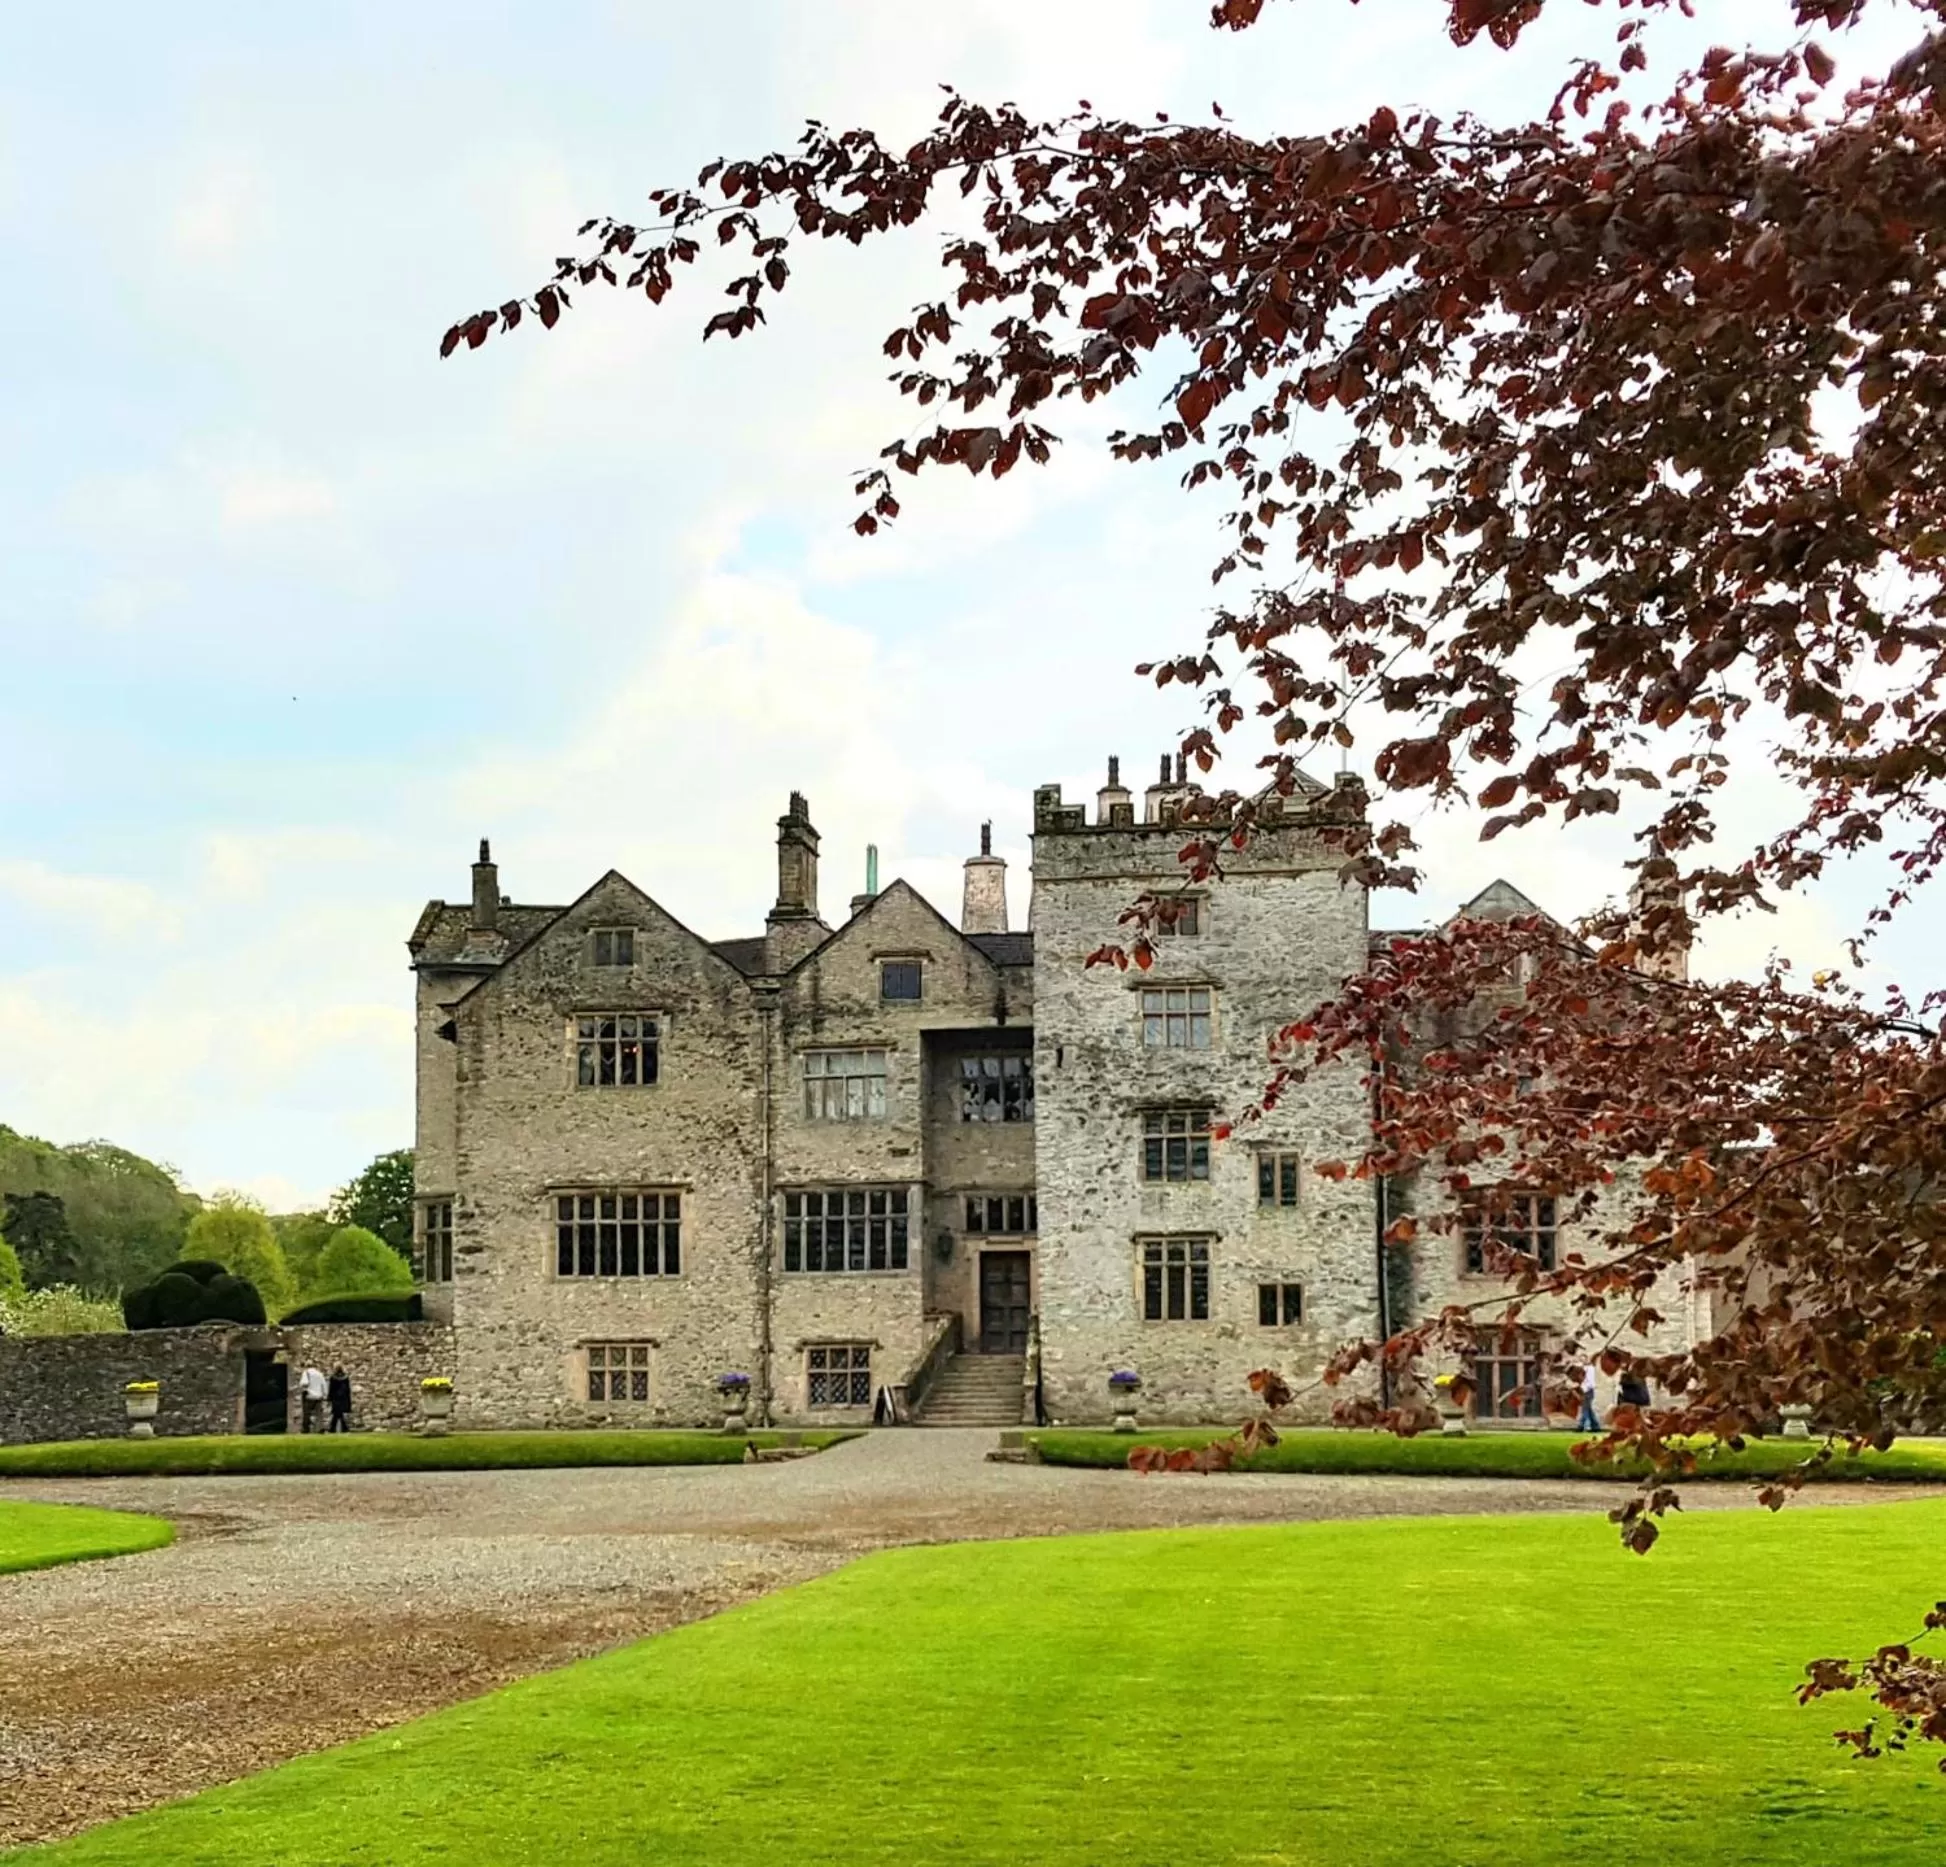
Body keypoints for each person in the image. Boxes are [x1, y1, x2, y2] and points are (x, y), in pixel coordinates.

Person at [297, 1364, 327, 1434]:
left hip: (309, 1396)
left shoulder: (306, 1372)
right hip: (318, 1396)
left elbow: (304, 1383)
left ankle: (306, 1429)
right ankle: (320, 1428)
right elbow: (324, 1385)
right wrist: (324, 1394)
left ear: (307, 1366)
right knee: (319, 1414)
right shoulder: (320, 1374)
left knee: (307, 1413)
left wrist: (301, 1387)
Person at [1575, 1361, 1600, 1433]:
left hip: (1587, 1390)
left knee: (1585, 1409)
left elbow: (1587, 1382)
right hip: (1588, 1390)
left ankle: (1582, 1426)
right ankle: (1595, 1426)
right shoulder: (1589, 1369)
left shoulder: (1588, 1369)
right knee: (1588, 1409)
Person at [327, 1366, 353, 1434]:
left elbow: (331, 1389)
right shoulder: (345, 1378)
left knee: (337, 1413)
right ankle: (342, 1428)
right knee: (338, 1413)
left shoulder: (333, 1378)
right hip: (343, 1398)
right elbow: (348, 1390)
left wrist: (329, 1398)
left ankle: (334, 1428)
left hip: (336, 1398)